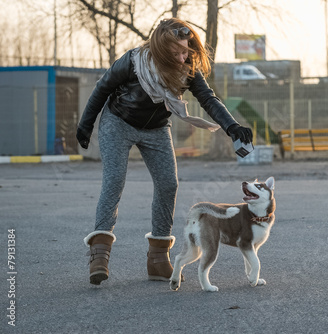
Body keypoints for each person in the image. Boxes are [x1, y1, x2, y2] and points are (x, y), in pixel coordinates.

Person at [77, 18, 253, 285]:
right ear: (161, 50)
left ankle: (158, 259)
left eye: (187, 51)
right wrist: (85, 124)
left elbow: (208, 99)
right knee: (114, 181)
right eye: (177, 53)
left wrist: (231, 126)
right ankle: (99, 254)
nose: (183, 58)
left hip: (156, 128)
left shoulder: (188, 69)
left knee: (168, 184)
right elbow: (103, 87)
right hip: (118, 122)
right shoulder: (134, 62)